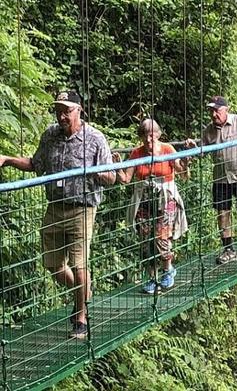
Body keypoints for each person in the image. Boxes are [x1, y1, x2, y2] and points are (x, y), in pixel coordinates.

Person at [0, 91, 115, 339]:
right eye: (58, 110)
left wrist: (98, 172)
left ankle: (81, 317)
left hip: (81, 208)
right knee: (52, 265)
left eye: (67, 110)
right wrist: (7, 160)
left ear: (79, 110)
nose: (62, 115)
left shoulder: (95, 138)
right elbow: (35, 164)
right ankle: (83, 294)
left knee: (78, 263)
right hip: (54, 207)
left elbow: (111, 177)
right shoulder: (50, 135)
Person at [186, 96, 237, 264]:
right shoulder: (209, 130)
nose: (214, 114)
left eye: (217, 110)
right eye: (211, 110)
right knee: (223, 214)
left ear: (226, 109)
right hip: (221, 178)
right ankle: (229, 249)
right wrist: (194, 149)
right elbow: (202, 152)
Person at [112, 119, 189, 294]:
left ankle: (168, 270)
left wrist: (185, 160)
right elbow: (126, 179)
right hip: (144, 199)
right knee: (146, 240)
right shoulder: (136, 153)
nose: (148, 139)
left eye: (152, 135)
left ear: (158, 134)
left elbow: (182, 172)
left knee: (161, 237)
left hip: (165, 198)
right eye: (145, 135)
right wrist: (118, 166)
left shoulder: (168, 149)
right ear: (141, 137)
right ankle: (152, 278)